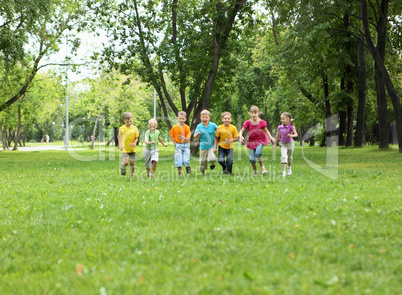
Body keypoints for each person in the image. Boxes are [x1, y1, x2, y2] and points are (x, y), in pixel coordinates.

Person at [239, 105, 275, 175]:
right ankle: (255, 172)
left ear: (258, 113)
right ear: (250, 113)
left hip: (260, 140)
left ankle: (262, 167)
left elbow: (266, 130)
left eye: (255, 113)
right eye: (252, 113)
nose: (253, 114)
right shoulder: (247, 122)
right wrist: (240, 136)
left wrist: (270, 137)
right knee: (252, 160)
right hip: (251, 141)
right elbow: (241, 131)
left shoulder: (262, 122)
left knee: (258, 153)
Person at [273, 112, 298, 177]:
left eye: (283, 119)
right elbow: (278, 135)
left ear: (288, 119)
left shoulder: (291, 126)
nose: (281, 120)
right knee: (284, 157)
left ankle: (289, 168)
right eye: (281, 119)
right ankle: (284, 172)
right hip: (283, 144)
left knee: (289, 158)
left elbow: (296, 134)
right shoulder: (280, 127)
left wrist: (291, 135)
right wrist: (275, 144)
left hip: (290, 144)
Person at [194, 109, 218, 175]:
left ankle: (212, 164)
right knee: (202, 161)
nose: (205, 119)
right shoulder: (199, 126)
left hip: (211, 146)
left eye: (206, 117)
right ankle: (203, 173)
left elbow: (219, 130)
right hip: (203, 146)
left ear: (209, 118)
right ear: (200, 117)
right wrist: (197, 134)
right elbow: (194, 136)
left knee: (212, 158)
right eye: (203, 117)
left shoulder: (213, 125)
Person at [169, 111, 191, 177]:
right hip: (178, 145)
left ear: (185, 119)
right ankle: (179, 174)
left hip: (186, 145)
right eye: (180, 118)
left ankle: (187, 166)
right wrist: (175, 143)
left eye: (183, 119)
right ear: (177, 118)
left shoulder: (187, 128)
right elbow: (171, 136)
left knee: (185, 160)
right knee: (178, 160)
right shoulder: (174, 127)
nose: (181, 120)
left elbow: (188, 139)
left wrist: (183, 137)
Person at [118, 112, 139, 180]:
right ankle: (123, 165)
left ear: (132, 119)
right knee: (126, 162)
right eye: (127, 121)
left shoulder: (135, 128)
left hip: (132, 149)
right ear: (124, 121)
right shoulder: (121, 128)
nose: (129, 123)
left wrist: (134, 143)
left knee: (132, 163)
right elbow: (119, 136)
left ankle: (131, 176)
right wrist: (119, 144)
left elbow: (136, 137)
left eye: (130, 121)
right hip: (124, 148)